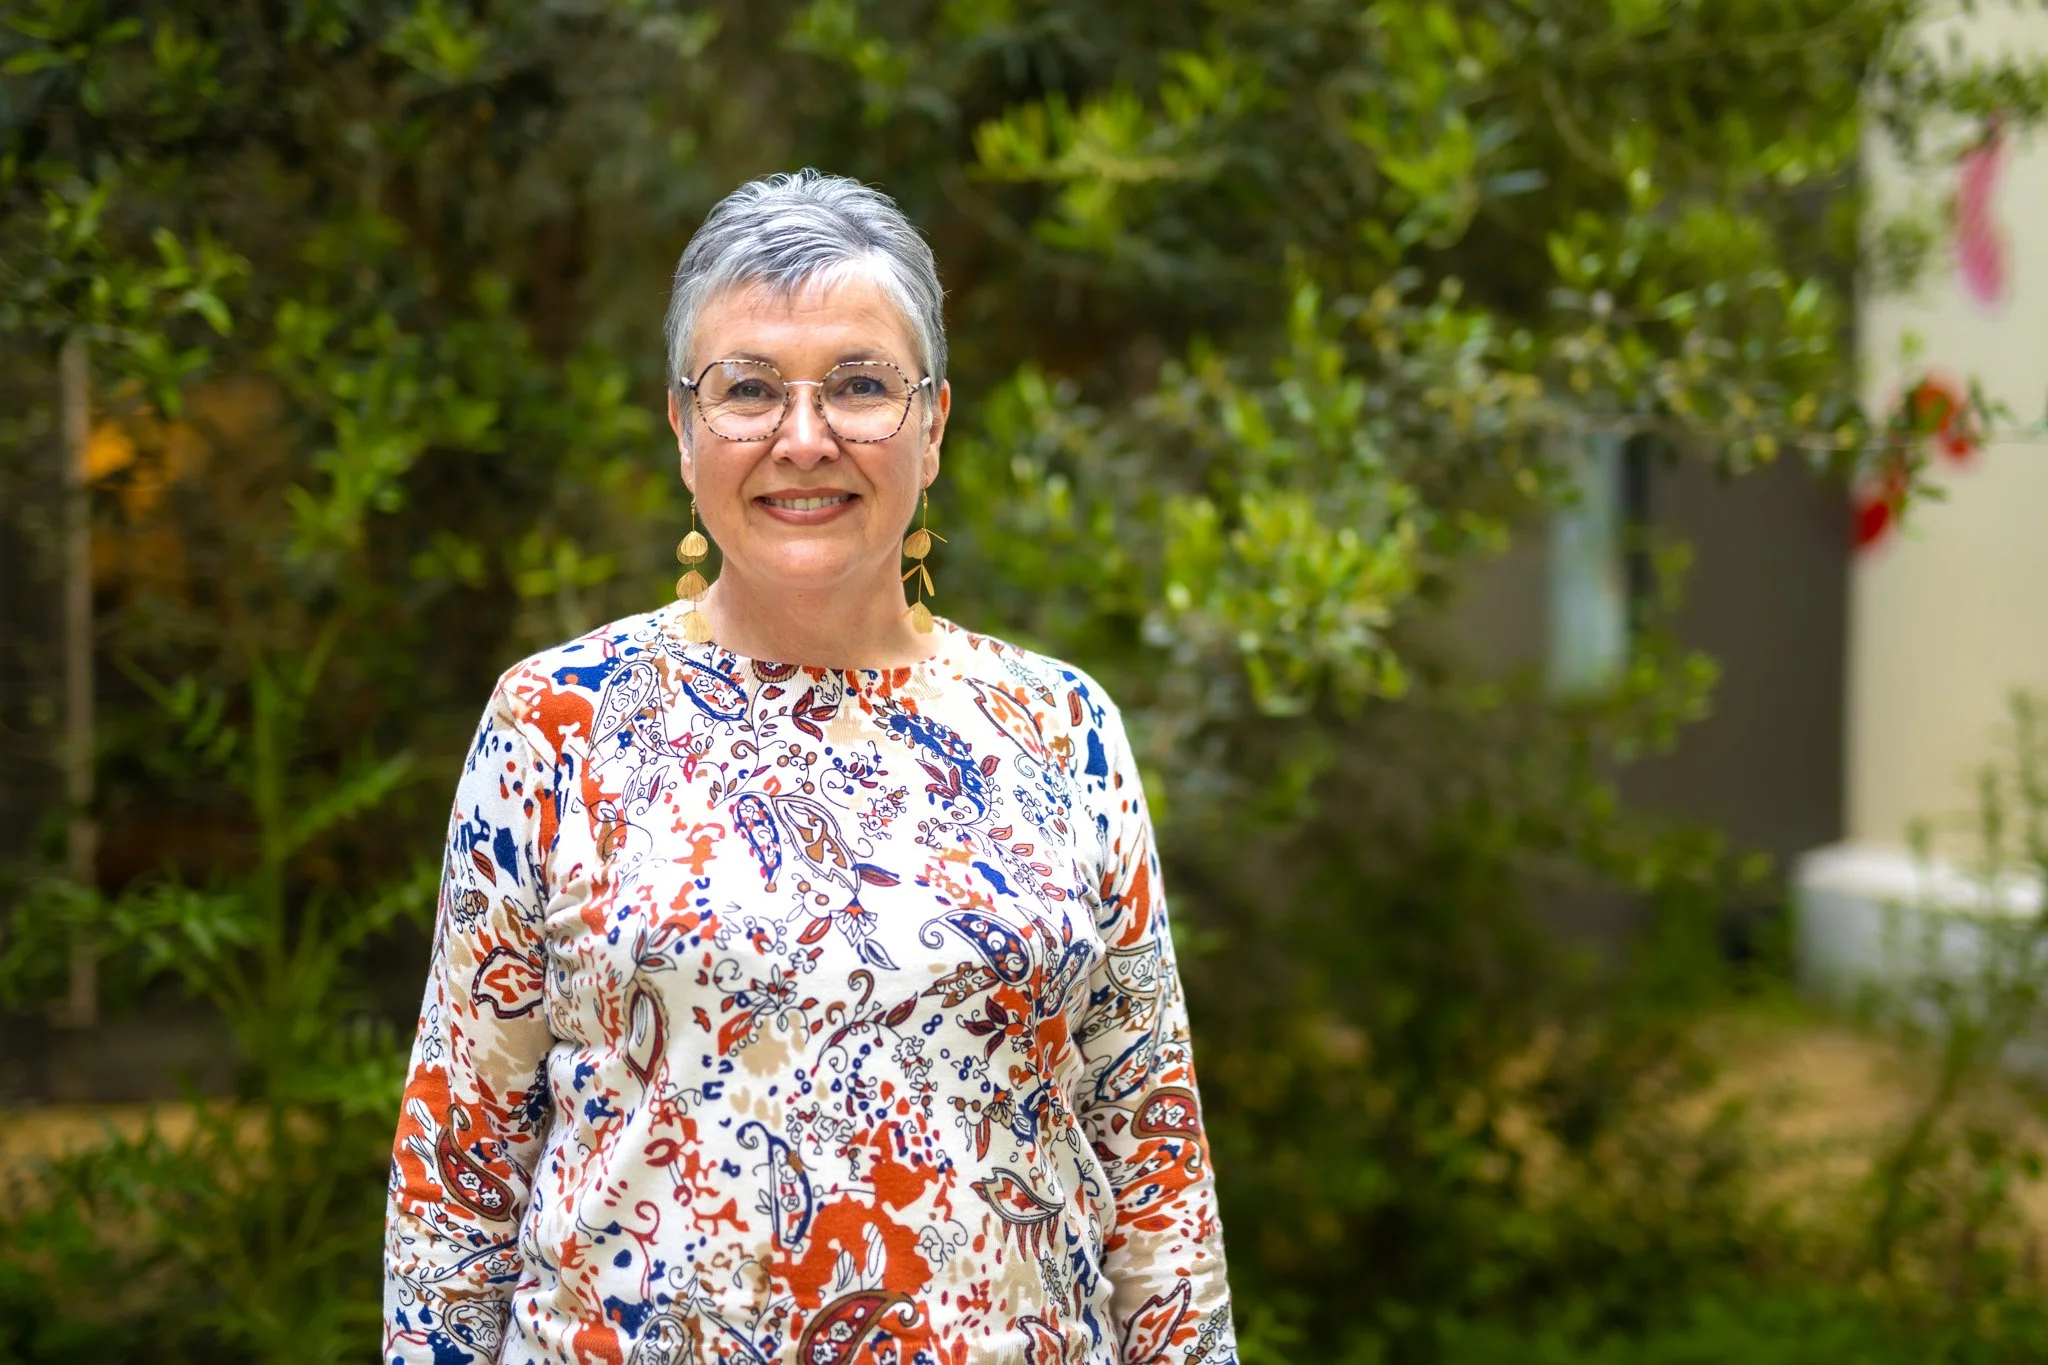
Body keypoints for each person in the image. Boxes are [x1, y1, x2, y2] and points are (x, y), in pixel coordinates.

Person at [382, 169, 1236, 1365]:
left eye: (859, 386)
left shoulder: (1060, 729)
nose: (802, 438)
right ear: (681, 431)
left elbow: (1154, 1171)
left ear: (932, 425)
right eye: (745, 391)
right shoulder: (558, 723)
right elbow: (454, 1180)